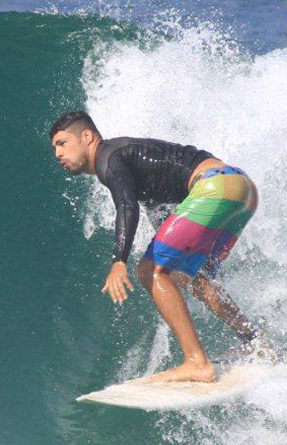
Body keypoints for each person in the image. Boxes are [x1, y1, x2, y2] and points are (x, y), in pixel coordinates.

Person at [50, 110, 274, 382]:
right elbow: (162, 211)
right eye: (54, 148)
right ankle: (257, 344)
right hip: (241, 189)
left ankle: (196, 362)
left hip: (214, 186)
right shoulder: (132, 161)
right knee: (198, 280)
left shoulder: (109, 157)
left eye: (62, 143)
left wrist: (118, 261)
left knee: (149, 271)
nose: (58, 154)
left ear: (87, 136)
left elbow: (126, 205)